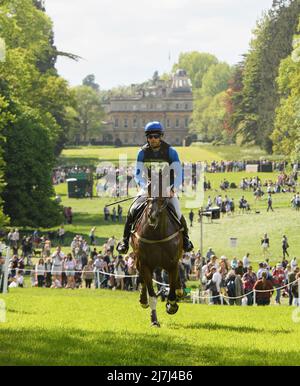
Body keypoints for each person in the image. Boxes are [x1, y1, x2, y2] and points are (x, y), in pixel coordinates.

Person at [117, 121, 193, 254]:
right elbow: (137, 174)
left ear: (161, 136)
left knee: (177, 211)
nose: (153, 139)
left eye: (156, 136)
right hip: (148, 188)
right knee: (132, 209)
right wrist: (143, 186)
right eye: (150, 136)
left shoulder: (170, 152)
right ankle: (124, 241)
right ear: (147, 137)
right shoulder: (142, 152)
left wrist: (173, 188)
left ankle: (186, 240)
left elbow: (179, 173)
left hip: (166, 188)